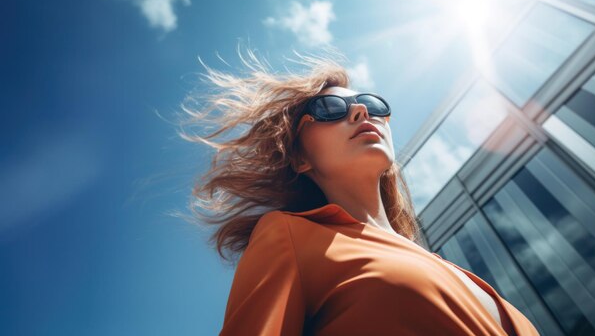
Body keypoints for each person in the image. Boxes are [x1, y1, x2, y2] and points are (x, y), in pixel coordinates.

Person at [181, 47, 540, 335]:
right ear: (300, 159)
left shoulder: (447, 266)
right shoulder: (289, 235)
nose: (360, 113)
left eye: (373, 105)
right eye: (330, 108)